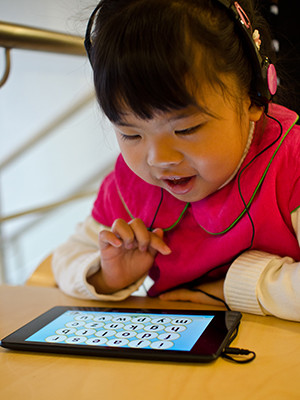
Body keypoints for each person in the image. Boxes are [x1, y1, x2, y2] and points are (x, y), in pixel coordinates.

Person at [52, 0, 300, 322]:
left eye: (186, 129)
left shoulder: (290, 162)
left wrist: (232, 288)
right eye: (131, 134)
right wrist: (108, 275)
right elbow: (66, 258)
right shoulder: (132, 185)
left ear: (254, 96)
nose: (160, 159)